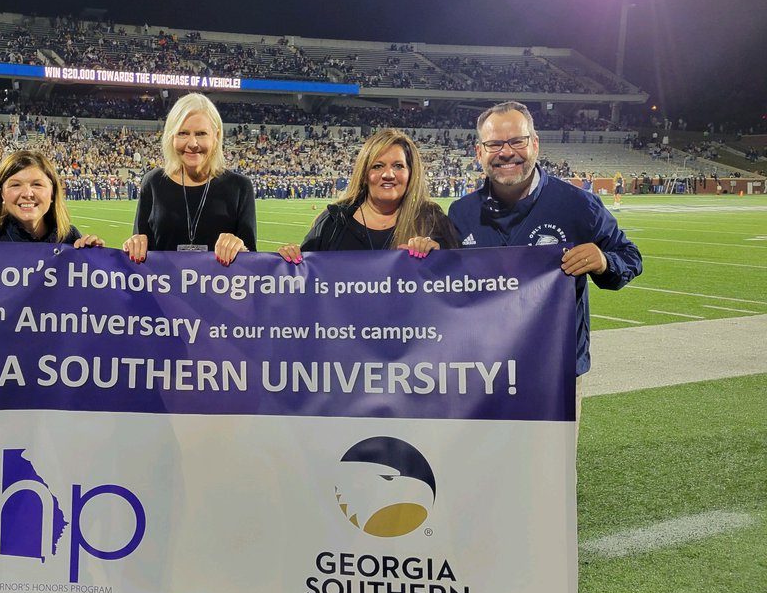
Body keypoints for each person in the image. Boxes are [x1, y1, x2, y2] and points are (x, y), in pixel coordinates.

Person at [448, 101, 641, 410]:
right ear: (479, 151)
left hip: (554, 374)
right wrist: (423, 258)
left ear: (534, 144)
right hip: (481, 372)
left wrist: (604, 261)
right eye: (494, 143)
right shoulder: (461, 213)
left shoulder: (578, 205)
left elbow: (630, 257)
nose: (506, 152)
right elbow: (445, 289)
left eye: (517, 141)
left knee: (550, 461)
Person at [277, 128, 457, 262]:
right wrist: (288, 261)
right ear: (364, 174)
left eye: (398, 166)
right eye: (377, 166)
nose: (388, 174)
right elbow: (304, 285)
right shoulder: (333, 222)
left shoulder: (432, 221)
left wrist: (442, 257)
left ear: (411, 173)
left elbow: (461, 285)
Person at [122, 93, 255, 266]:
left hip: (218, 290)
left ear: (216, 136)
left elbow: (253, 265)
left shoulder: (240, 187)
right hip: (164, 290)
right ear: (171, 136)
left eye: (201, 134)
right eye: (183, 133)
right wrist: (134, 245)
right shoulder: (154, 182)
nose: (192, 143)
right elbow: (140, 247)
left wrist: (240, 248)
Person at [0, 149, 103, 248]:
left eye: (37, 184)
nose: (27, 193)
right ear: (1, 193)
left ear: (52, 192)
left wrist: (95, 258)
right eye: (15, 185)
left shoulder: (69, 238)